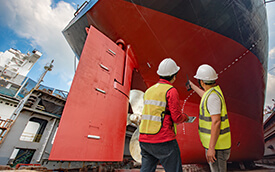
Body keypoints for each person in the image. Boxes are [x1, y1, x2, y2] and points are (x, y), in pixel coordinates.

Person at [139, 58, 189, 172]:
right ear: (174, 76)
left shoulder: (149, 90)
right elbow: (176, 118)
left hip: (144, 139)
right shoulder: (171, 91)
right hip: (163, 140)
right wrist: (185, 117)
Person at [189, 64, 231, 172]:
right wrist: (192, 86)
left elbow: (216, 122)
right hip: (216, 144)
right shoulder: (212, 93)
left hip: (217, 147)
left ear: (202, 82)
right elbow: (205, 96)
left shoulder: (213, 97)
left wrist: (211, 148)